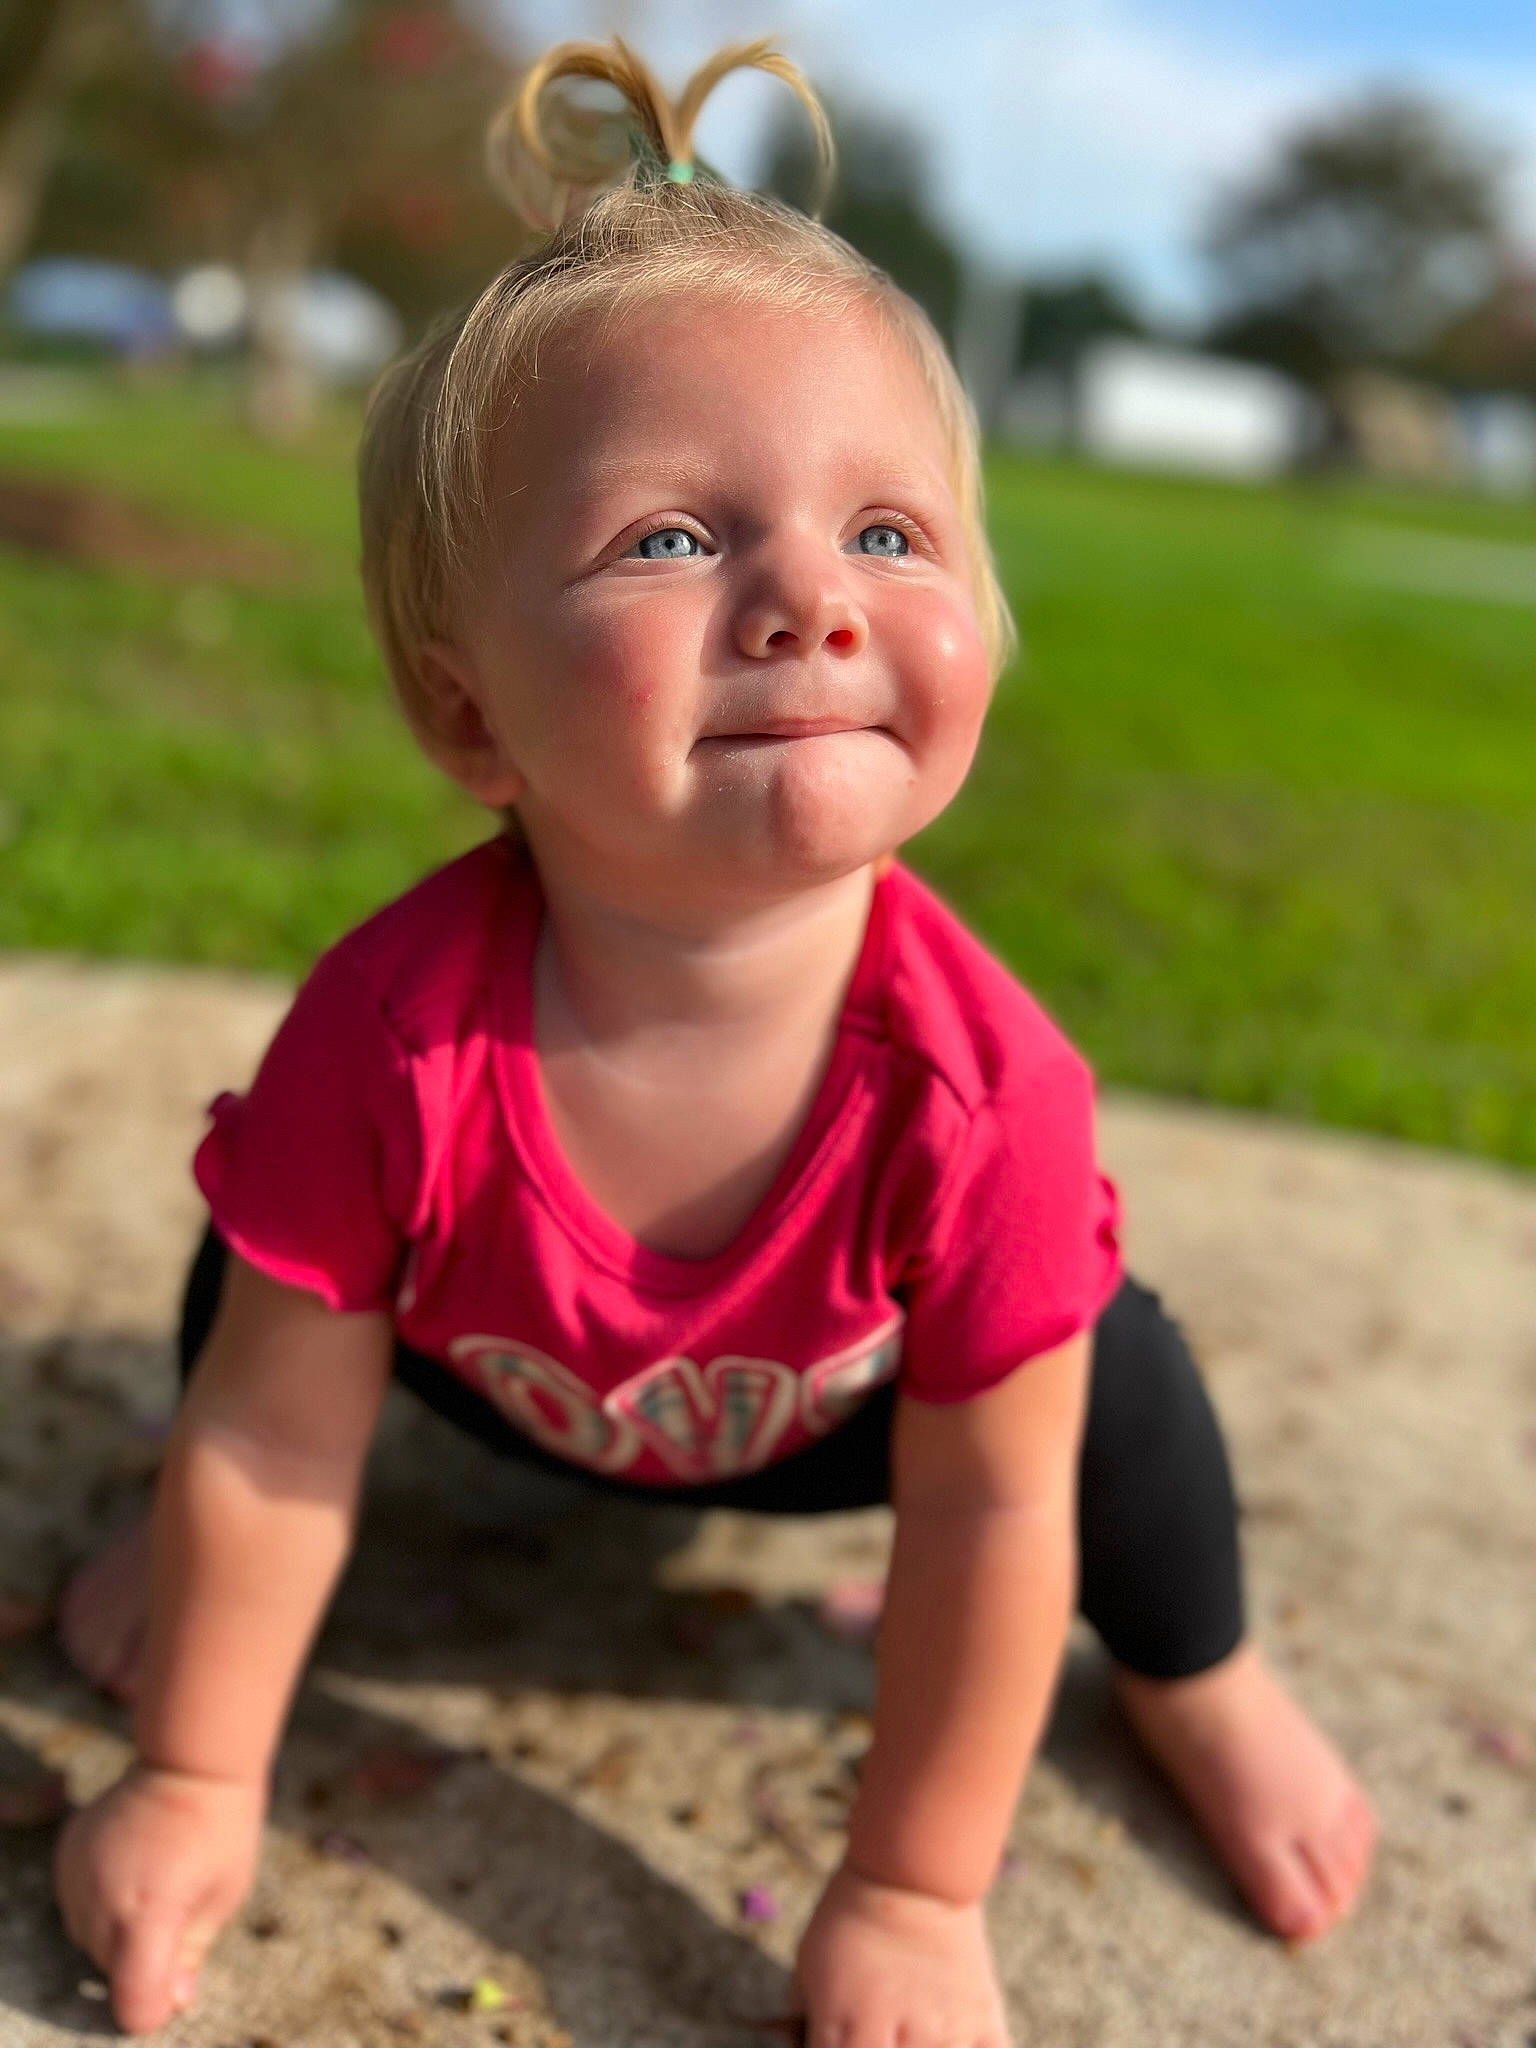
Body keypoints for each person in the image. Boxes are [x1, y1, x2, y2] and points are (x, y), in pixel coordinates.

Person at [51, 37, 1375, 2043]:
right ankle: (184, 1588)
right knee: (260, 1274)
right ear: (469, 715)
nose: (806, 601)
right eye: (671, 539)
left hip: (849, 1433)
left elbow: (996, 1513)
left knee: (1111, 1395)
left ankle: (1202, 1674)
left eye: (891, 535)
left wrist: (920, 1890)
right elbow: (268, 1424)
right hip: (493, 1371)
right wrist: (192, 1776)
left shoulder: (987, 1092)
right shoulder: (392, 1032)